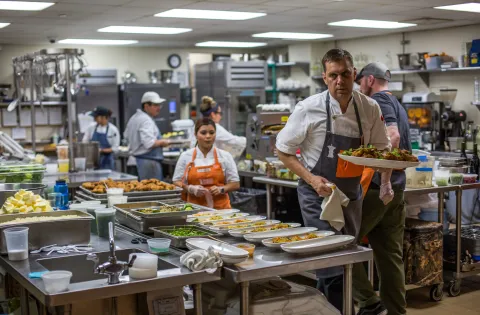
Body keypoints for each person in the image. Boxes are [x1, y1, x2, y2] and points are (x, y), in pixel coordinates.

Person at [276, 48, 392, 312]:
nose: (340, 81)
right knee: (330, 262)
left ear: (354, 74)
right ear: (324, 78)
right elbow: (282, 149)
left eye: (344, 74)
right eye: (333, 76)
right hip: (318, 194)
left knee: (345, 258)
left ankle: (322, 308)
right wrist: (311, 178)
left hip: (351, 195)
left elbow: (383, 150)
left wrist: (385, 182)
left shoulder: (369, 107)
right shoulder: (308, 108)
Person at [352, 62, 411, 315]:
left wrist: (383, 180)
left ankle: (368, 301)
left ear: (368, 80)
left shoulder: (379, 100)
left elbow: (393, 137)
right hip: (397, 189)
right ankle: (396, 311)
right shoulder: (397, 103)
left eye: (359, 84)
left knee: (340, 246)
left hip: (379, 190)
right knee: (390, 256)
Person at [173, 118, 240, 209]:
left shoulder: (225, 156)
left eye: (212, 133)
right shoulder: (185, 156)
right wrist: (190, 189)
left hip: (221, 211)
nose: (208, 136)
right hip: (193, 210)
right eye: (203, 133)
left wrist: (221, 189)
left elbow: (235, 183)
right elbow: (176, 182)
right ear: (196, 135)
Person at [124, 91, 170, 180]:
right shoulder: (146, 120)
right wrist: (164, 142)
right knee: (152, 192)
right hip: (147, 164)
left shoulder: (134, 118)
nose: (158, 108)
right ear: (146, 106)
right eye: (155, 105)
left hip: (134, 162)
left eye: (159, 105)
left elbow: (126, 136)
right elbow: (149, 143)